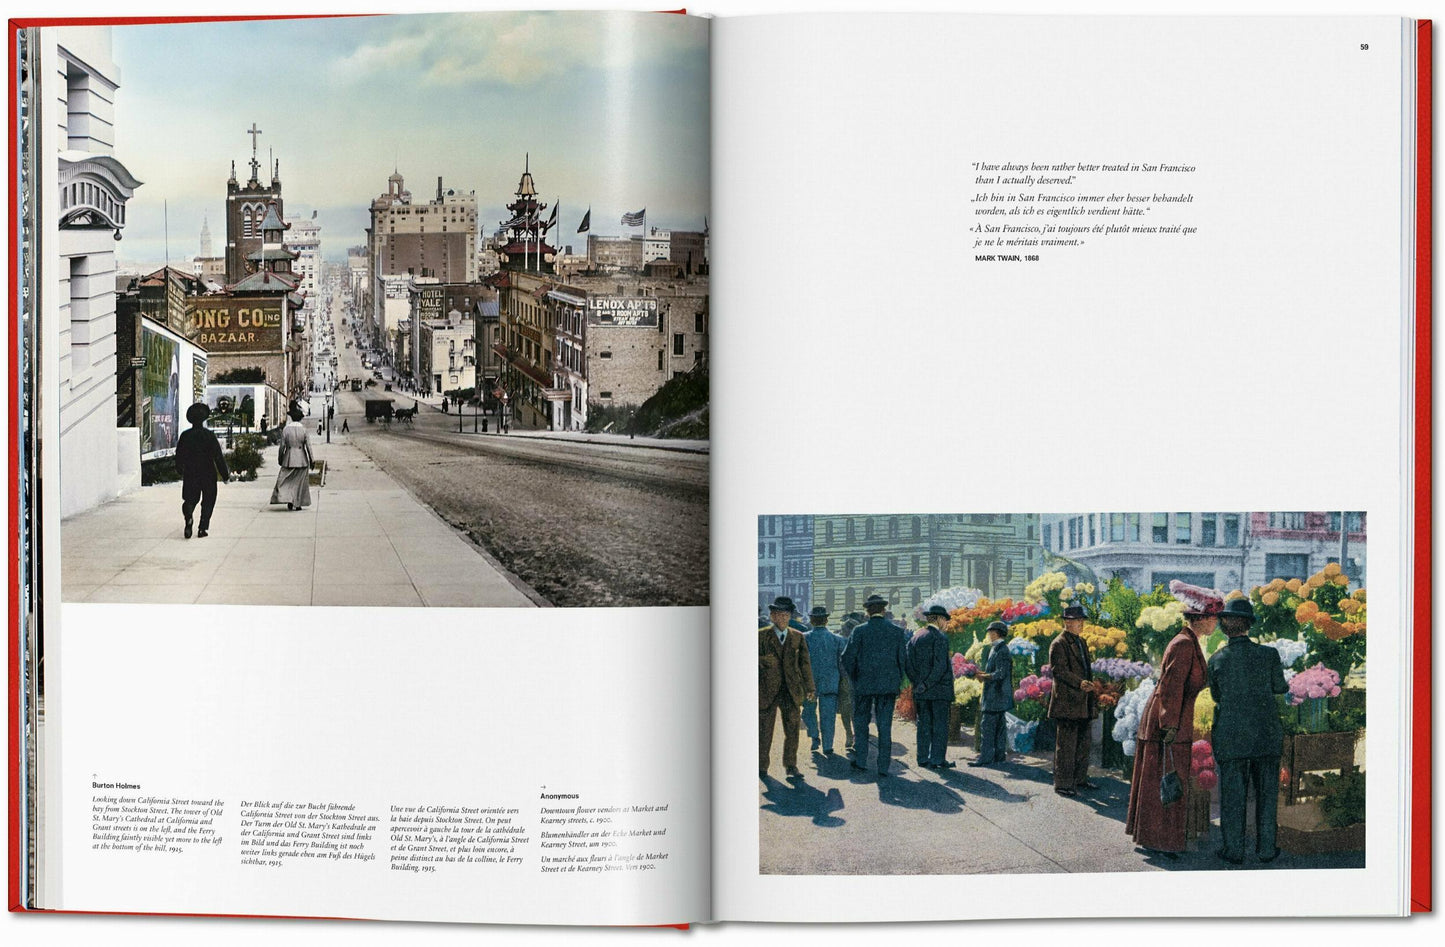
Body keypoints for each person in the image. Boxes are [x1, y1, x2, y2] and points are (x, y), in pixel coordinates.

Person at [1125, 580, 1218, 856]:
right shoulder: (1184, 644)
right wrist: (1170, 726)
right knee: (1167, 779)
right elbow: (1171, 687)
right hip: (1169, 720)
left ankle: (1156, 837)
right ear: (1202, 619)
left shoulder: (1188, 641)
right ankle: (1164, 841)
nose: (1216, 623)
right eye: (1214, 618)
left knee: (1161, 780)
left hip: (1172, 717)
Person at [1208, 596, 1288, 864]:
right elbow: (1280, 688)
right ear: (1249, 625)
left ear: (1225, 626)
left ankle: (1234, 851)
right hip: (1266, 735)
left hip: (1231, 737)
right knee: (1267, 796)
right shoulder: (1269, 654)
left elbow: (1217, 695)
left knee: (1233, 798)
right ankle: (1266, 849)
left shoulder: (1217, 659)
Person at [842, 594, 908, 776]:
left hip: (863, 686)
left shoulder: (859, 631)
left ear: (867, 612)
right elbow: (903, 660)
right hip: (887, 687)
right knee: (885, 727)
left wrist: (855, 678)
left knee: (861, 724)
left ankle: (862, 761)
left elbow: (847, 658)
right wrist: (897, 682)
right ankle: (883, 766)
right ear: (883, 610)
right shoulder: (896, 632)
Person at [758, 596, 815, 780]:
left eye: (785, 615)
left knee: (792, 731)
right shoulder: (761, 636)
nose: (782, 618)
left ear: (790, 616)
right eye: (778, 615)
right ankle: (761, 767)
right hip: (767, 691)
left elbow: (805, 664)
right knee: (764, 731)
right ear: (772, 616)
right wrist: (765, 661)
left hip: (791, 691)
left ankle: (791, 766)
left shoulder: (797, 637)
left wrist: (810, 688)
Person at [1048, 604, 1098, 796]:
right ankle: (1063, 784)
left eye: (1081, 621)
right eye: (1078, 621)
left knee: (1083, 743)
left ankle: (1079, 779)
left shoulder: (1080, 642)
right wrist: (1080, 683)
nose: (1081, 624)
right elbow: (1058, 671)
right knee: (1067, 745)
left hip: (1082, 701)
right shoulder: (1058, 643)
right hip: (1068, 702)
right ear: (1067, 623)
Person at [907, 604, 955, 769]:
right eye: (945, 620)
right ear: (939, 619)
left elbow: (909, 665)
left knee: (923, 725)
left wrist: (919, 684)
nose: (946, 623)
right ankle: (937, 759)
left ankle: (922, 758)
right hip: (939, 690)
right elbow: (940, 666)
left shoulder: (915, 637)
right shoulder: (940, 638)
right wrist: (927, 684)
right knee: (940, 725)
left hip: (921, 690)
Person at [173, 403, 230, 539]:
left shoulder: (185, 436)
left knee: (190, 499)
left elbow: (179, 455)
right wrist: (225, 475)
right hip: (208, 473)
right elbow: (218, 457)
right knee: (208, 500)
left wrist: (180, 468)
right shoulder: (209, 436)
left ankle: (188, 517)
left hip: (191, 473)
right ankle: (202, 528)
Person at [801, 606, 846, 756]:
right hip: (830, 683)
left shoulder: (803, 638)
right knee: (828, 716)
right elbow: (842, 665)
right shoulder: (837, 640)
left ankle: (814, 735)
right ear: (826, 621)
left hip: (809, 684)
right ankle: (828, 745)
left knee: (808, 712)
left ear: (812, 620)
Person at [972, 620, 1014, 767]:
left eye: (990, 632)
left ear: (996, 633)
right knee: (998, 728)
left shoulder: (1001, 650)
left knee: (988, 727)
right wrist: (985, 674)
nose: (989, 635)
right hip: (999, 697)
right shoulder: (998, 648)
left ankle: (985, 758)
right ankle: (998, 757)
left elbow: (1000, 674)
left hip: (995, 696)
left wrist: (984, 676)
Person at [270, 403, 314, 511]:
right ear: (300, 419)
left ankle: (289, 500)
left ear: (291, 417)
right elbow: (308, 446)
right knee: (299, 482)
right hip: (302, 459)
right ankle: (298, 503)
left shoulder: (286, 430)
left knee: (286, 480)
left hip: (288, 458)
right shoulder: (303, 430)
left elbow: (282, 447)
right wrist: (312, 460)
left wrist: (280, 458)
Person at [835, 613, 862, 753]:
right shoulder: (842, 641)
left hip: (849, 679)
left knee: (849, 709)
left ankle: (851, 735)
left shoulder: (844, 641)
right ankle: (851, 735)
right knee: (852, 709)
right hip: (851, 679)